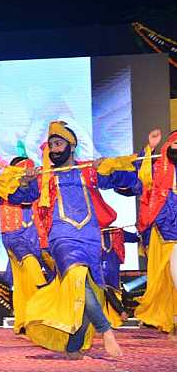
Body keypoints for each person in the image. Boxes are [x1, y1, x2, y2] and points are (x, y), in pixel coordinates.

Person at [11, 121, 137, 358]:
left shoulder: (88, 170)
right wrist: (25, 182)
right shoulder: (45, 176)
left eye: (58, 144)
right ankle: (105, 330)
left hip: (90, 237)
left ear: (71, 146)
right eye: (51, 145)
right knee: (77, 278)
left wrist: (107, 168)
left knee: (90, 290)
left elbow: (127, 183)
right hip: (61, 237)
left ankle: (72, 346)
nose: (54, 149)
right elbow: (19, 197)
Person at [0, 156, 48, 334]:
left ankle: (25, 321)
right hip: (14, 239)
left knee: (22, 280)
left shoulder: (39, 193)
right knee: (34, 272)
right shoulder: (2, 195)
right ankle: (42, 310)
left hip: (35, 239)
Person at [134, 129, 177, 340]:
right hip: (162, 229)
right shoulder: (157, 166)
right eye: (175, 144)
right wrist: (150, 148)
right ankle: (163, 317)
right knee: (163, 276)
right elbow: (141, 175)